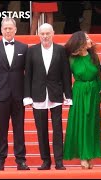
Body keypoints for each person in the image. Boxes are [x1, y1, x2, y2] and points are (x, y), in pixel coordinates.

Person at [24, 23, 72, 170]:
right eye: (42, 33)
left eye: (47, 33)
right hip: (37, 95)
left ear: (53, 33)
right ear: (38, 34)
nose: (45, 36)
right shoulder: (31, 51)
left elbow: (66, 74)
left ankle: (59, 161)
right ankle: (45, 160)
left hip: (55, 94)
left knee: (58, 130)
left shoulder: (61, 50)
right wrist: (27, 96)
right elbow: (28, 75)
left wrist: (68, 95)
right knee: (41, 130)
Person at [0, 17, 29, 171]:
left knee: (19, 128)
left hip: (19, 95)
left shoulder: (24, 48)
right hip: (1, 95)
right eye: (5, 28)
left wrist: (28, 94)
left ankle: (21, 160)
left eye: (11, 28)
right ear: (1, 30)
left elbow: (28, 74)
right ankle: (0, 160)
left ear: (15, 29)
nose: (8, 31)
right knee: (1, 129)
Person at [63, 31, 101, 169]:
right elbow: (65, 79)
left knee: (91, 124)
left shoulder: (94, 56)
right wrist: (67, 94)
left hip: (93, 92)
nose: (90, 40)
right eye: (86, 38)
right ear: (80, 41)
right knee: (80, 124)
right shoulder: (71, 58)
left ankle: (89, 155)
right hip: (79, 92)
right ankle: (82, 155)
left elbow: (98, 76)